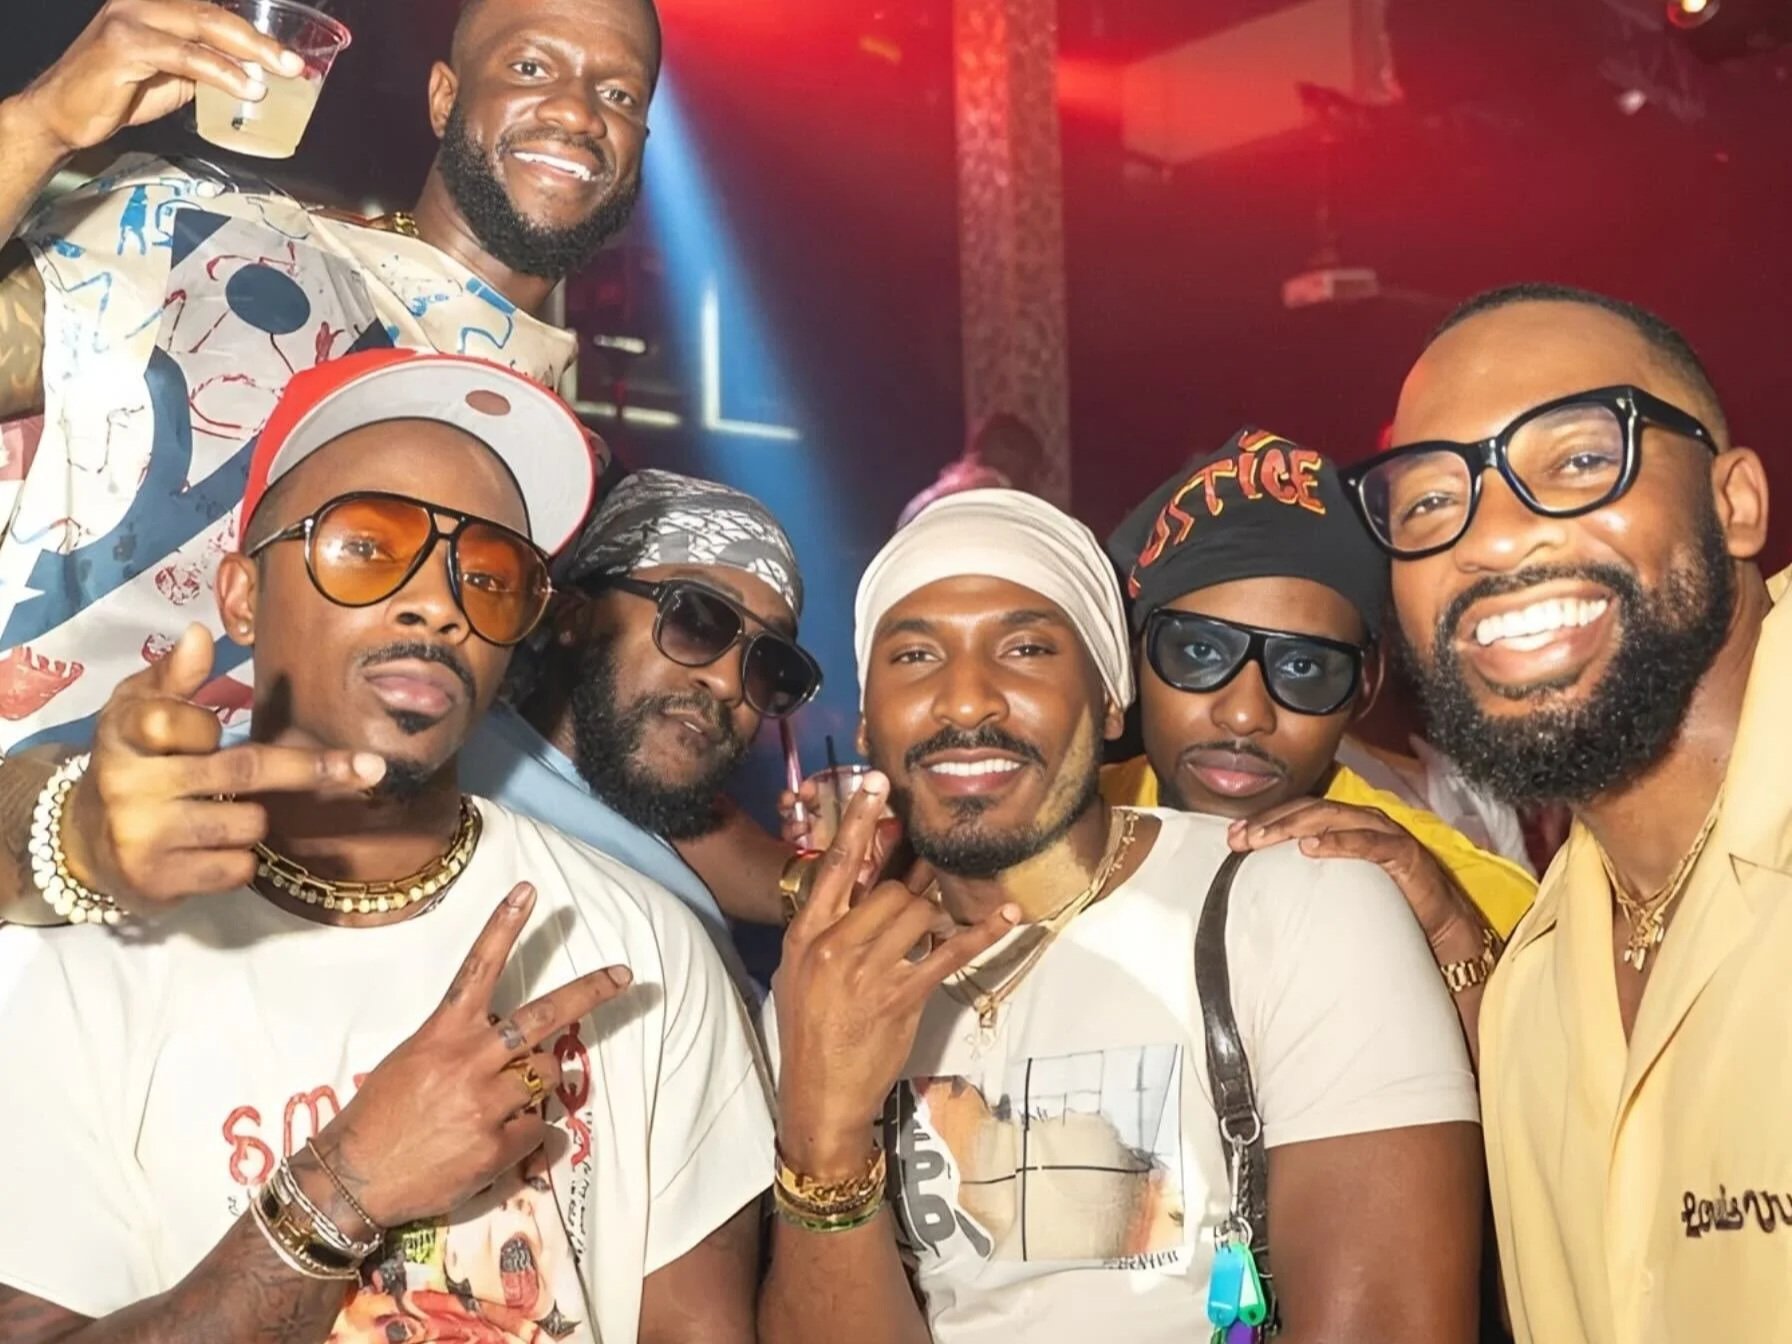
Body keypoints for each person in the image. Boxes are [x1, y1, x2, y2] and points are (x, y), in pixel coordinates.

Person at [0, 348, 769, 1343]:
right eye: (367, 545)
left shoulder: (646, 952)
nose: (440, 603)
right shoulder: (72, 961)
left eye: (488, 575)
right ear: (241, 596)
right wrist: (340, 1192)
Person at [760, 487, 1484, 1344]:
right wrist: (825, 1136)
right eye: (915, 656)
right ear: (867, 723)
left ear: (1110, 701)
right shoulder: (824, 991)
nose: (966, 701)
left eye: (1026, 648)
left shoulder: (1300, 903)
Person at [0, 0, 659, 919]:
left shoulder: (554, 466)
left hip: (280, 950)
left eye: (619, 94)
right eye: (532, 68)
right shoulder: (210, 242)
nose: (580, 112)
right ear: (444, 96)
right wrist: (34, 128)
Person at [1342, 281, 1784, 1344]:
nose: (1493, 539)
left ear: (1733, 503)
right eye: (1427, 504)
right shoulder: (1532, 1000)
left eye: (1582, 460)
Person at [1102, 428, 1535, 952]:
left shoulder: (1490, 907)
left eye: (1302, 667)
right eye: (1200, 652)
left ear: (1364, 686)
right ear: (1135, 656)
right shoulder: (1055, 836)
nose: (1245, 714)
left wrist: (1452, 940)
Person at [464, 468, 824, 953]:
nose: (727, 683)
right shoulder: (457, 791)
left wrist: (823, 880)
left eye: (766, 663)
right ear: (574, 615)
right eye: (695, 621)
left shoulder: (635, 811)